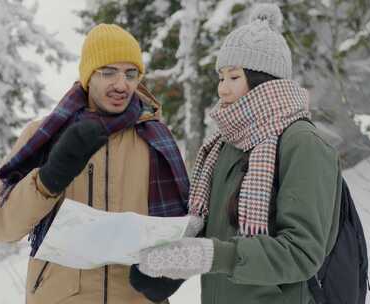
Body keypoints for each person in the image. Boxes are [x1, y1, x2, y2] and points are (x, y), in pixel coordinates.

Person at [137, 4, 343, 304]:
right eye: (221, 78)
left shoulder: (302, 143)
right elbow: (218, 230)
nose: (222, 89)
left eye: (233, 77)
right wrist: (175, 258)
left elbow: (302, 253)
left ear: (265, 79)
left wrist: (213, 255)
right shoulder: (225, 142)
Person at [0, 23, 199, 304]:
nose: (122, 85)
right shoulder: (43, 135)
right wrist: (47, 181)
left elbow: (185, 226)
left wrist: (174, 270)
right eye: (108, 72)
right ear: (88, 75)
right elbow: (0, 226)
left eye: (131, 73)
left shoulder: (157, 141)